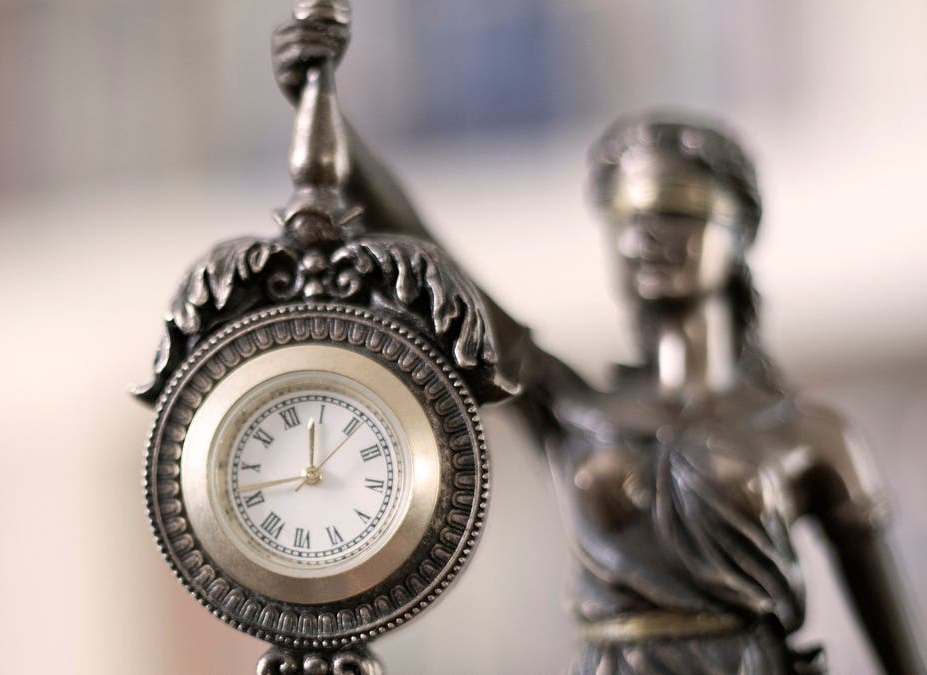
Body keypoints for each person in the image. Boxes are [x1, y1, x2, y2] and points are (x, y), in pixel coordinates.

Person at [273, 15, 926, 675]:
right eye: (629, 220)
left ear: (738, 235)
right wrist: (322, 108)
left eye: (676, 211)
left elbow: (902, 654)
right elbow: (433, 256)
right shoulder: (574, 409)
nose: (648, 237)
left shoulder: (811, 436)